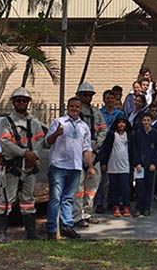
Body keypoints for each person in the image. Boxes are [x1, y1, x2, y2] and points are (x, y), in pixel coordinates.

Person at [0, 86, 46, 242]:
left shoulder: (34, 122)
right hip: (13, 166)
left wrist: (34, 155)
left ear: (28, 102)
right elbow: (5, 142)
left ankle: (31, 233)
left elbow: (40, 140)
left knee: (28, 200)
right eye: (18, 100)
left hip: (29, 167)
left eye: (24, 100)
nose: (21, 103)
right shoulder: (6, 122)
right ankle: (1, 233)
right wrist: (24, 153)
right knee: (6, 200)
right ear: (13, 102)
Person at [45, 97, 94, 240]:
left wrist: (90, 166)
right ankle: (52, 229)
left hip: (75, 167)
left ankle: (67, 226)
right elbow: (48, 141)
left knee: (68, 199)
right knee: (55, 199)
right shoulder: (58, 122)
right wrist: (56, 134)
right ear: (68, 107)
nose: (74, 109)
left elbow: (87, 148)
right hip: (58, 167)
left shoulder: (84, 126)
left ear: (80, 109)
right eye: (72, 106)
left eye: (77, 107)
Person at [73, 82, 106, 228]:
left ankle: (87, 212)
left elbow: (103, 131)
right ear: (79, 95)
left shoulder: (96, 113)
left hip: (94, 155)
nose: (87, 98)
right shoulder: (74, 113)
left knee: (92, 187)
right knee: (78, 187)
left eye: (89, 95)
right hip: (78, 156)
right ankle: (76, 215)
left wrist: (97, 144)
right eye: (84, 95)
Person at [99, 116, 134, 217]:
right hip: (112, 165)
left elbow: (132, 151)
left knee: (125, 187)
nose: (121, 125)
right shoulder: (111, 134)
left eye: (123, 122)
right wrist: (104, 162)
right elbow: (105, 149)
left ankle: (126, 206)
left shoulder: (129, 135)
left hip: (125, 166)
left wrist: (133, 164)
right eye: (119, 122)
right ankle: (116, 206)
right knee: (113, 187)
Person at [96, 89, 125, 213]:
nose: (110, 100)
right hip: (102, 148)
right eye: (108, 98)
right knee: (101, 178)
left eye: (112, 98)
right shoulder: (98, 113)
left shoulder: (119, 114)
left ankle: (111, 201)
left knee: (112, 178)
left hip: (116, 148)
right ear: (104, 100)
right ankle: (99, 203)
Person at [132, 113, 157, 216]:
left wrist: (154, 163)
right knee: (139, 186)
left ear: (151, 121)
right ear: (141, 122)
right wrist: (137, 163)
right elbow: (135, 149)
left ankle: (147, 207)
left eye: (148, 120)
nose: (146, 122)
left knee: (149, 186)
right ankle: (138, 207)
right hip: (140, 166)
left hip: (151, 165)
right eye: (144, 120)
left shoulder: (155, 133)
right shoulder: (138, 134)